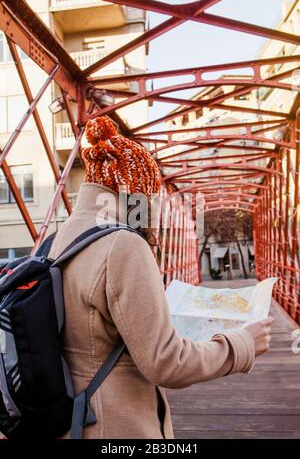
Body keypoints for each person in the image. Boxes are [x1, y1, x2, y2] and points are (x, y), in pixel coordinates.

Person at [49, 116, 273, 439]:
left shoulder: (62, 238)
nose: (151, 212)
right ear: (133, 194)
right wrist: (243, 344)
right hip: (118, 427)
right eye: (148, 199)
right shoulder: (124, 245)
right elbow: (165, 361)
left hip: (75, 419)